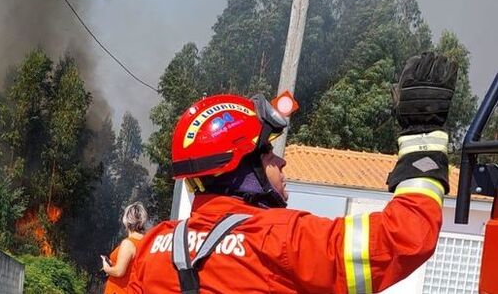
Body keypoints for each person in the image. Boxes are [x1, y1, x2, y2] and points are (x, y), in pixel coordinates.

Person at [128, 51, 457, 294]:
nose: (281, 162)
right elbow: (403, 238)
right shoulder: (279, 239)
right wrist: (422, 136)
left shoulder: (155, 246)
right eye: (268, 154)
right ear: (241, 168)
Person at [101, 202, 148, 293]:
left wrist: (106, 268)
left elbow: (119, 272)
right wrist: (113, 263)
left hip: (119, 290)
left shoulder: (128, 243)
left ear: (126, 220)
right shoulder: (146, 242)